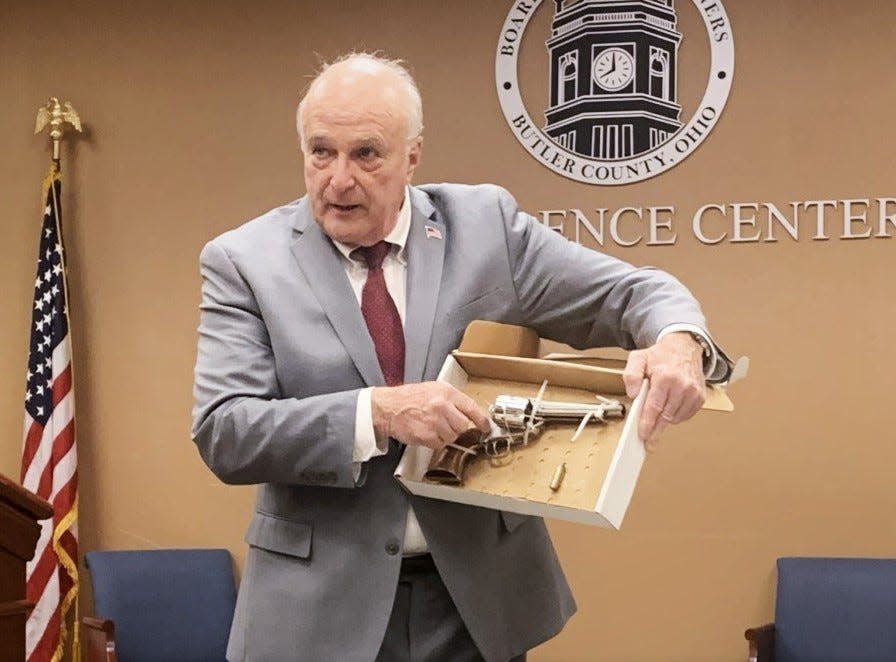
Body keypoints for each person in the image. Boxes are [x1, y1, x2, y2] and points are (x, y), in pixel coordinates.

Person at [191, 52, 733, 662]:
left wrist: (680, 341)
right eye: (321, 152)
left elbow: (630, 292)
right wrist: (378, 414)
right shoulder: (242, 262)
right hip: (318, 613)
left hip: (474, 607)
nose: (338, 179)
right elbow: (225, 430)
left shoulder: (484, 227)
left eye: (366, 154)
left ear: (412, 156)